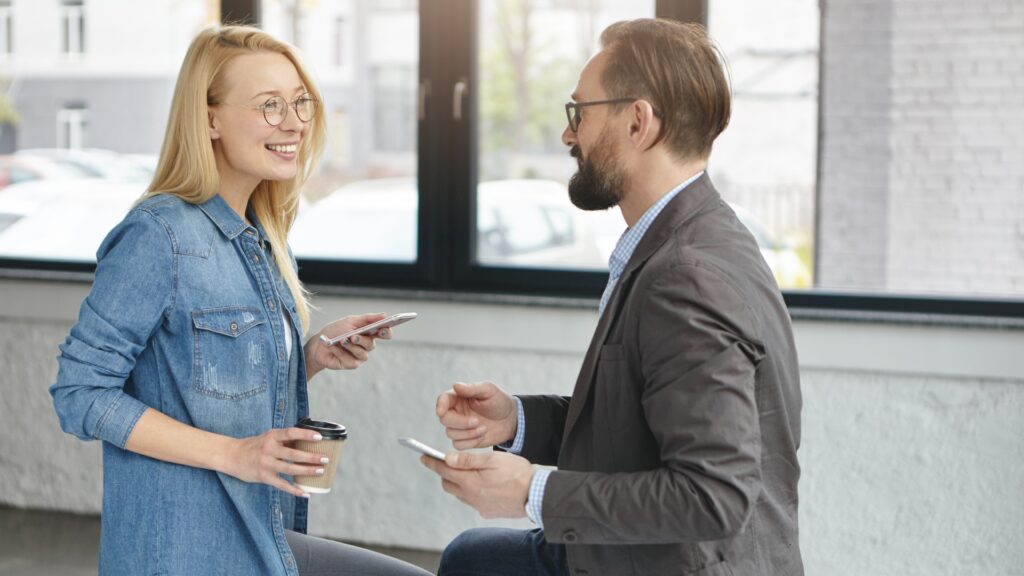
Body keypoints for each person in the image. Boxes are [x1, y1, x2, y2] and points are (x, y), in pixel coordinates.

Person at [421, 18, 803, 576]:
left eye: (580, 112)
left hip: (677, 563)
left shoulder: (686, 277)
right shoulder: (690, 235)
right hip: (649, 551)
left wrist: (535, 493)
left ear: (638, 122)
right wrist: (517, 421)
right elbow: (644, 423)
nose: (568, 135)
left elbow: (713, 497)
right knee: (471, 560)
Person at [49, 25, 429, 576]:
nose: (295, 122)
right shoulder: (159, 235)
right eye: (269, 105)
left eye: (300, 103)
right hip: (182, 552)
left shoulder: (264, 236)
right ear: (210, 119)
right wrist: (233, 454)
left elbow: (216, 381)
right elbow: (79, 394)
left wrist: (312, 354)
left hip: (259, 536)